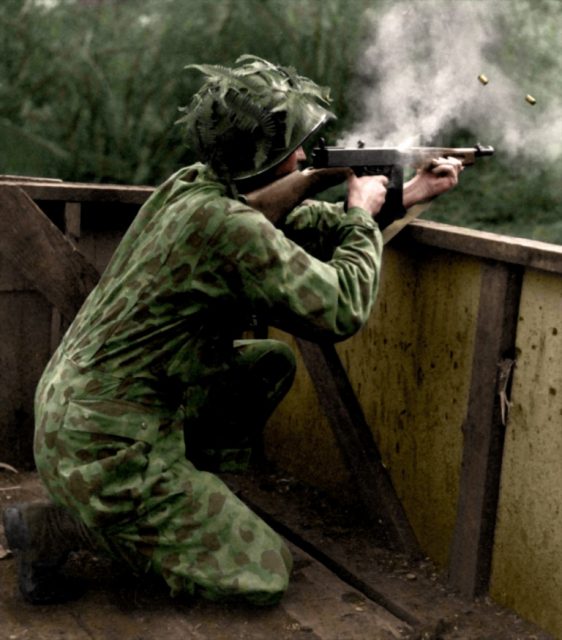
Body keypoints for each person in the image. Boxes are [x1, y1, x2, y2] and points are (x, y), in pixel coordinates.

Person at [2, 56, 462, 606]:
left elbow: (294, 220)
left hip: (76, 413)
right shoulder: (227, 227)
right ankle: (63, 528)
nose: (300, 155)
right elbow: (341, 309)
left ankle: (176, 501)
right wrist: (362, 215)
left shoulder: (190, 187)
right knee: (264, 571)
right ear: (262, 156)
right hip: (106, 445)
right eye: (294, 147)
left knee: (268, 363)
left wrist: (403, 195)